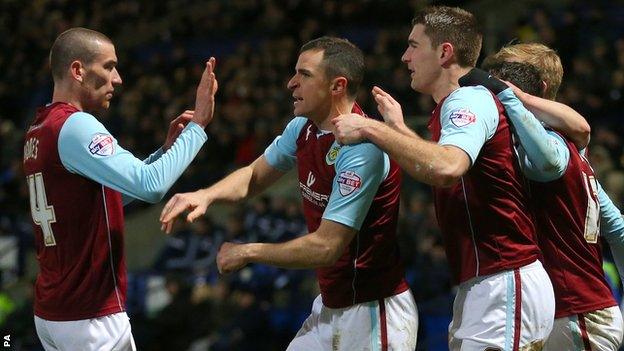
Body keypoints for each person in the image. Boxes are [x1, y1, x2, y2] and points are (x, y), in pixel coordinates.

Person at [160, 36, 418, 350]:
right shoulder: (303, 128)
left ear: (337, 86)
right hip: (331, 305)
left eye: (304, 75)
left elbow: (326, 247)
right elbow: (254, 175)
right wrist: (206, 195)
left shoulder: (362, 150)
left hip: (372, 313)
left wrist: (248, 252)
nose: (291, 83)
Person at [332, 6, 555, 349]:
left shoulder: (468, 100)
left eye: (413, 46)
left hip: (505, 281)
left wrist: (369, 128)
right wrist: (400, 130)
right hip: (489, 284)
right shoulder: (454, 106)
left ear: (445, 52)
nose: (405, 57)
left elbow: (447, 168)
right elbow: (438, 163)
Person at [22, 27, 218, 350]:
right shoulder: (75, 126)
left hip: (53, 313)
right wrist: (198, 127)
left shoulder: (39, 127)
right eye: (109, 66)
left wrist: (165, 152)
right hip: (90, 317)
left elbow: (101, 199)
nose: (118, 79)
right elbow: (151, 185)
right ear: (78, 71)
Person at [460, 43, 624, 350]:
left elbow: (552, 159)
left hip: (576, 311)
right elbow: (617, 227)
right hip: (567, 312)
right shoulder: (574, 147)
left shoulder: (551, 148)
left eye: (507, 79)